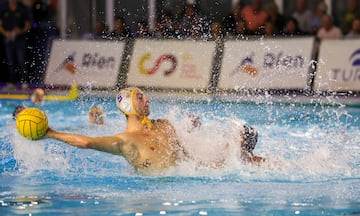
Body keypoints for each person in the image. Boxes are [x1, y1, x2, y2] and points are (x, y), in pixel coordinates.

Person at [44, 87, 264, 174]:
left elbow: (188, 160)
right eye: (140, 97)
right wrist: (51, 133)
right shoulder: (125, 141)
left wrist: (226, 160)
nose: (147, 98)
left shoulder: (165, 125)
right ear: (128, 106)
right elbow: (86, 142)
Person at [0, 0, 31, 89]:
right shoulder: (4, 10)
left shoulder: (22, 10)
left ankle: (24, 82)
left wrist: (20, 31)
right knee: (10, 61)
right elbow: (0, 26)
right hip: (8, 39)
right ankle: (12, 83)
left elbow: (28, 25)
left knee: (21, 61)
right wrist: (6, 33)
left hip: (20, 39)